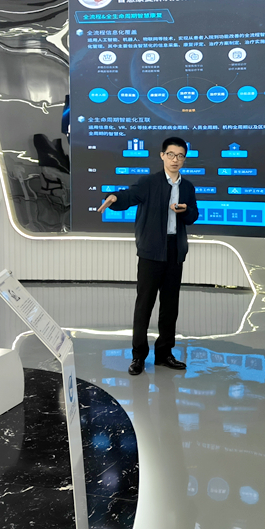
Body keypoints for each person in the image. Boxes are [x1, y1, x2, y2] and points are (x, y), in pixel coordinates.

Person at [98, 137, 199, 375]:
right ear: (162, 155)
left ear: (184, 159)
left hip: (175, 250)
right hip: (151, 251)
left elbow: (193, 215)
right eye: (171, 155)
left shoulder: (187, 187)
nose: (175, 160)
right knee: (144, 305)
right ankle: (138, 356)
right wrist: (113, 198)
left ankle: (164, 353)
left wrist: (185, 212)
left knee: (170, 306)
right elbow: (128, 196)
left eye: (180, 156)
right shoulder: (149, 182)